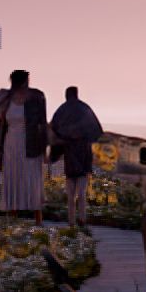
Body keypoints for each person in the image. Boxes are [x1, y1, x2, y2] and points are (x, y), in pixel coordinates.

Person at [0, 69, 47, 216]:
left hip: (32, 143)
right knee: (13, 177)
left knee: (33, 178)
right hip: (11, 142)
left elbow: (43, 124)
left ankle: (37, 216)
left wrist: (44, 149)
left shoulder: (37, 96)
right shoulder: (7, 99)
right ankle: (13, 214)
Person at [48, 84, 104, 224]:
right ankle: (82, 218)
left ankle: (71, 220)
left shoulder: (62, 110)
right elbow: (97, 131)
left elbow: (53, 130)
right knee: (82, 192)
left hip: (70, 154)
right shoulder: (85, 109)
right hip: (84, 154)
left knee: (71, 192)